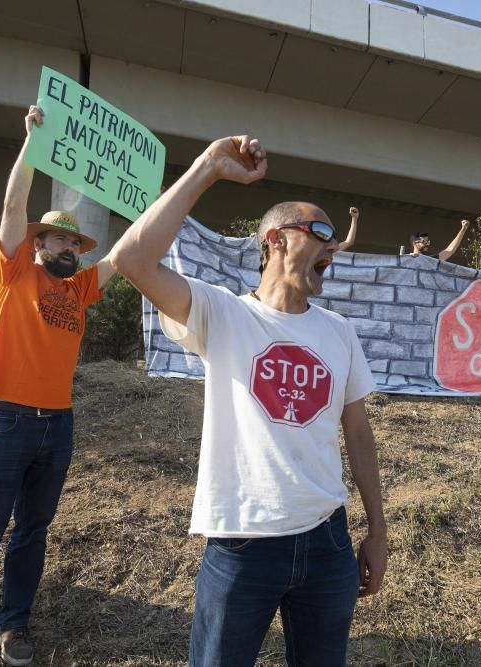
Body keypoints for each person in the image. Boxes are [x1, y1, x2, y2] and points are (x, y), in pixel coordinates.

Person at [110, 136, 387, 667]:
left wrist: (377, 530)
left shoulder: (340, 332)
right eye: (322, 233)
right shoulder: (222, 313)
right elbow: (132, 259)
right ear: (276, 240)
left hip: (328, 540)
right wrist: (207, 169)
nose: (334, 247)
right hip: (242, 544)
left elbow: (358, 433)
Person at [0, 105, 118, 667]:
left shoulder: (81, 288)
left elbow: (128, 257)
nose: (67, 248)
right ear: (37, 244)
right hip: (5, 419)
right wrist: (32, 146)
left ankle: (13, 627)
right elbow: (14, 206)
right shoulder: (14, 271)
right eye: (58, 241)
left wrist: (170, 199)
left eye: (74, 245)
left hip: (56, 425)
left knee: (32, 533)